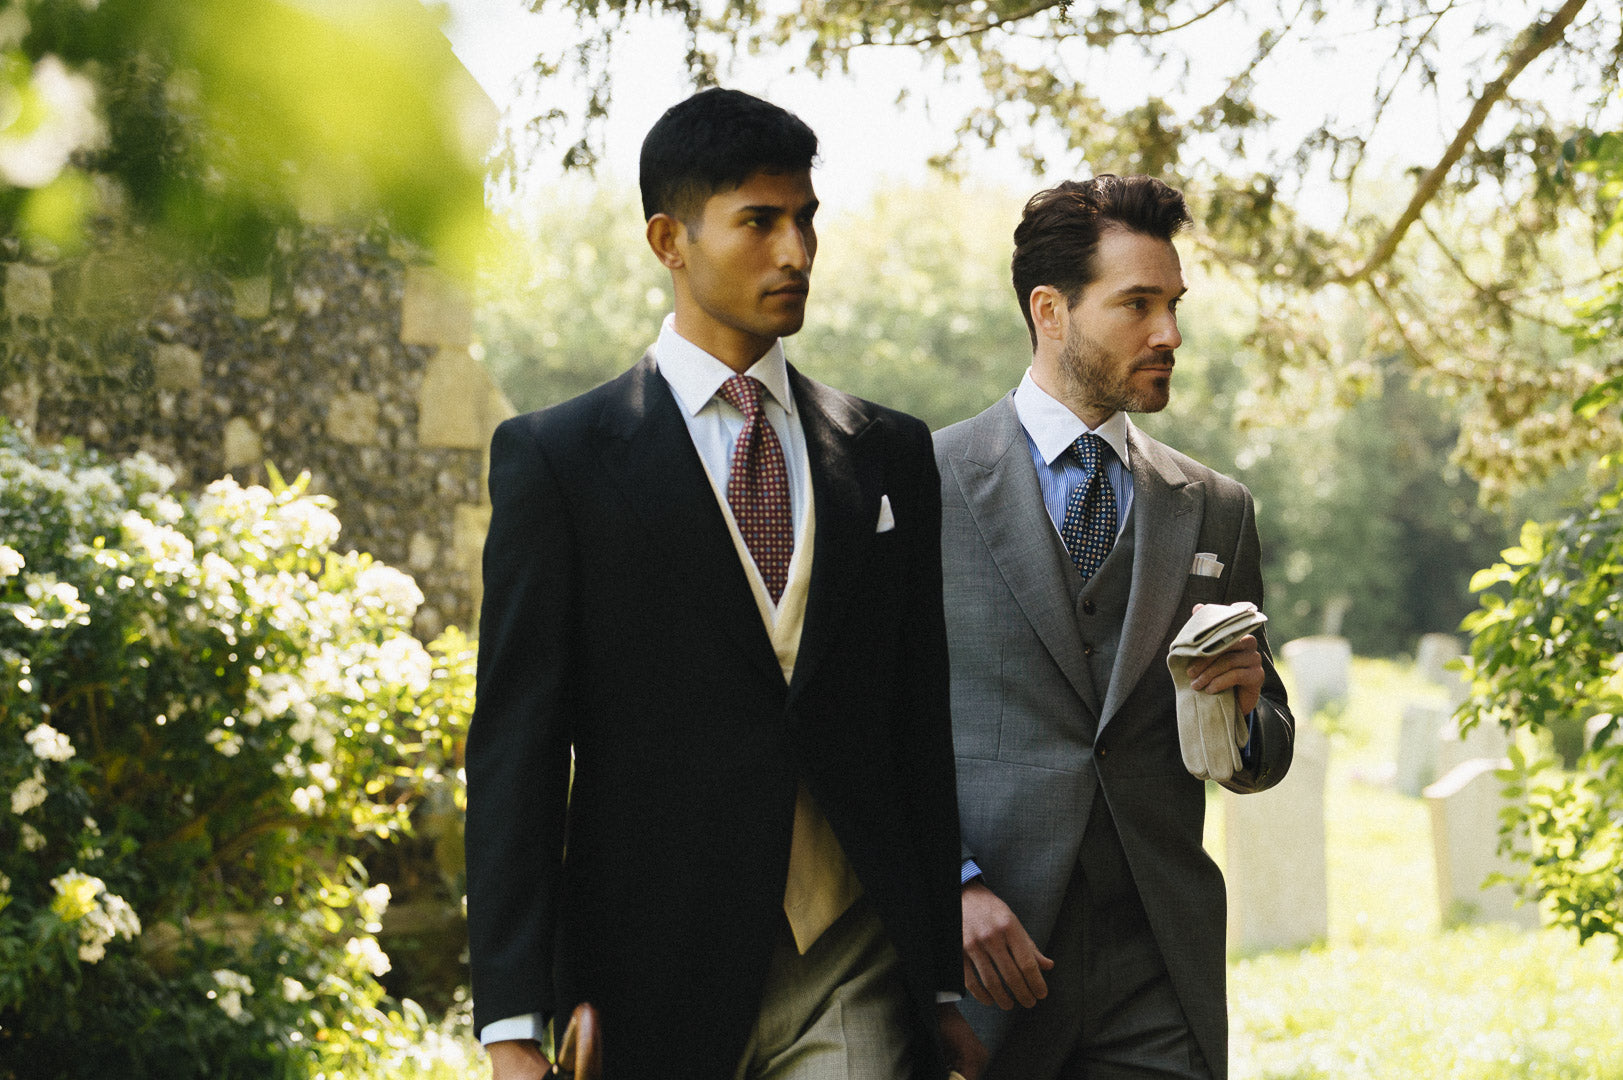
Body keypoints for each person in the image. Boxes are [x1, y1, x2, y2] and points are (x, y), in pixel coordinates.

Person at [465, 87, 982, 1080]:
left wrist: (941, 983)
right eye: (760, 221)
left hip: (855, 960)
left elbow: (917, 724)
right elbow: (519, 753)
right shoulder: (559, 460)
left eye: (807, 219)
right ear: (671, 238)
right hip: (649, 973)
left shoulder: (889, 454)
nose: (797, 252)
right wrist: (513, 1024)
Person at [933, 174, 1295, 1080]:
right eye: (1136, 304)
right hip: (985, 964)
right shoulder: (921, 481)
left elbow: (1264, 747)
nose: (1168, 333)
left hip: (1157, 969)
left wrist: (1248, 712)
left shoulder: (1216, 508)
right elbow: (866, 723)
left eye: (1172, 305)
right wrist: (954, 887)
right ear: (1049, 311)